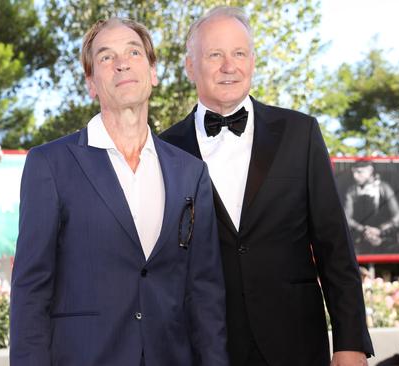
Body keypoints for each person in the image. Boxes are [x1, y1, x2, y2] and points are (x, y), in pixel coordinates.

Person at [160, 6, 373, 366]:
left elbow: (333, 244)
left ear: (253, 61)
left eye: (239, 53)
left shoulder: (300, 133)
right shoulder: (164, 149)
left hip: (296, 344)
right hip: (202, 348)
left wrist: (350, 342)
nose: (230, 66)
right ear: (190, 66)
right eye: (215, 55)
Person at [10, 17, 228, 366]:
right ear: (91, 83)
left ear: (153, 72)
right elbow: (30, 292)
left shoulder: (191, 172)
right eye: (106, 57)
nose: (122, 62)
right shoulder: (50, 165)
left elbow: (205, 293)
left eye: (133, 52)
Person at [344, 160, 399, 253]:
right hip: (361, 241)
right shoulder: (352, 191)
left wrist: (380, 231)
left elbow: (398, 216)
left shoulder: (384, 187)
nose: (355, 176)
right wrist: (364, 230)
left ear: (370, 170)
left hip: (386, 240)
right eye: (354, 172)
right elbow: (346, 218)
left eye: (359, 172)